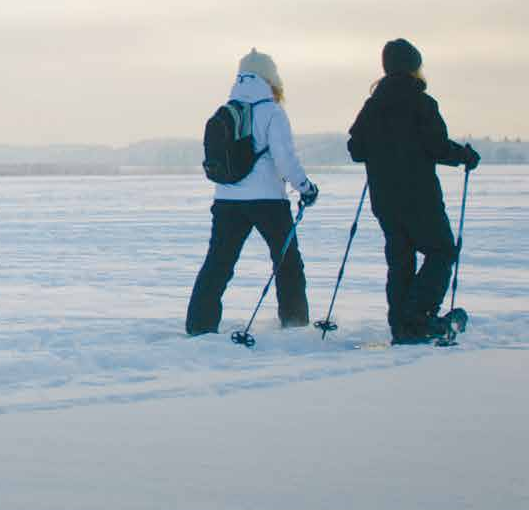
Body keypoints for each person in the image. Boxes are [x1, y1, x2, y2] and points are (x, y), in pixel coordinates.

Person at [347, 39, 479, 344]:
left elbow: (356, 149)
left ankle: (402, 326)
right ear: (413, 67)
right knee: (442, 250)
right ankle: (417, 317)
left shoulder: (373, 105)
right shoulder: (422, 102)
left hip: (384, 199)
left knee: (400, 259)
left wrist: (381, 150)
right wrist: (465, 156)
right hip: (419, 196)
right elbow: (437, 147)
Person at [186, 49, 319, 335]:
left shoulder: (226, 110)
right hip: (268, 201)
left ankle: (199, 326)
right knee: (287, 262)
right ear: (271, 77)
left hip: (226, 199)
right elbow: (284, 159)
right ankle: (295, 323)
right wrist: (305, 188)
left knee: (218, 263)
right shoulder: (271, 111)